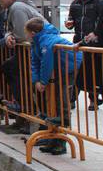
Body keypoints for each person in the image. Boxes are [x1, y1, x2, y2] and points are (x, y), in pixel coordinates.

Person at [27, 18, 81, 155]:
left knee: (61, 99)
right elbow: (35, 62)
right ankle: (53, 137)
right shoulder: (36, 41)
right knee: (52, 100)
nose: (26, 35)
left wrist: (43, 82)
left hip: (70, 66)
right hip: (59, 69)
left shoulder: (47, 40)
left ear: (33, 32)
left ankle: (61, 141)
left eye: (27, 33)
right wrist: (36, 81)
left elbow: (46, 63)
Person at [0, 0, 46, 130]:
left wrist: (7, 38)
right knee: (10, 67)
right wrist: (7, 36)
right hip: (33, 50)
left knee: (23, 76)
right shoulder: (14, 7)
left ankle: (27, 111)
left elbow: (21, 35)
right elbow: (11, 31)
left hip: (37, 51)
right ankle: (24, 110)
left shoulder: (17, 7)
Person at [66, 0, 103, 110]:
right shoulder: (75, 3)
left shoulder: (99, 2)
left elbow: (101, 22)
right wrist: (69, 24)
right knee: (76, 72)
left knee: (93, 72)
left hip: (94, 44)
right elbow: (70, 21)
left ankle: (93, 101)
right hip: (78, 41)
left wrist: (95, 34)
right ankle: (71, 100)